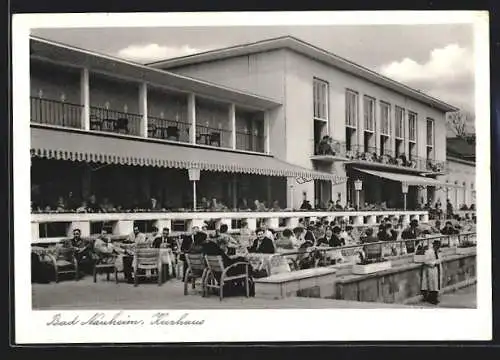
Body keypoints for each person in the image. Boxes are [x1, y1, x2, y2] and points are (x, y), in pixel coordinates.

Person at [421, 240, 442, 305]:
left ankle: (435, 297)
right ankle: (432, 299)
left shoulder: (438, 251)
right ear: (434, 245)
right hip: (431, 269)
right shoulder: (429, 252)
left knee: (436, 284)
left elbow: (440, 259)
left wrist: (438, 262)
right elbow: (426, 261)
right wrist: (434, 263)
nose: (438, 247)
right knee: (432, 284)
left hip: (437, 268)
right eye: (437, 246)